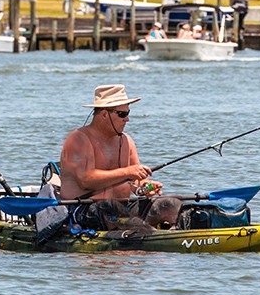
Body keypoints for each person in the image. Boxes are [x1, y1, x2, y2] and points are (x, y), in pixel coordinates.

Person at [58, 84, 180, 234]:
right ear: (104, 114)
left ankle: (180, 233)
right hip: (84, 211)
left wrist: (146, 186)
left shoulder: (127, 141)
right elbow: (86, 179)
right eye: (122, 114)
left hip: (123, 208)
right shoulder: (78, 139)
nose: (127, 119)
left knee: (171, 204)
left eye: (128, 113)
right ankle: (152, 235)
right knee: (109, 207)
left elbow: (136, 180)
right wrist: (127, 172)